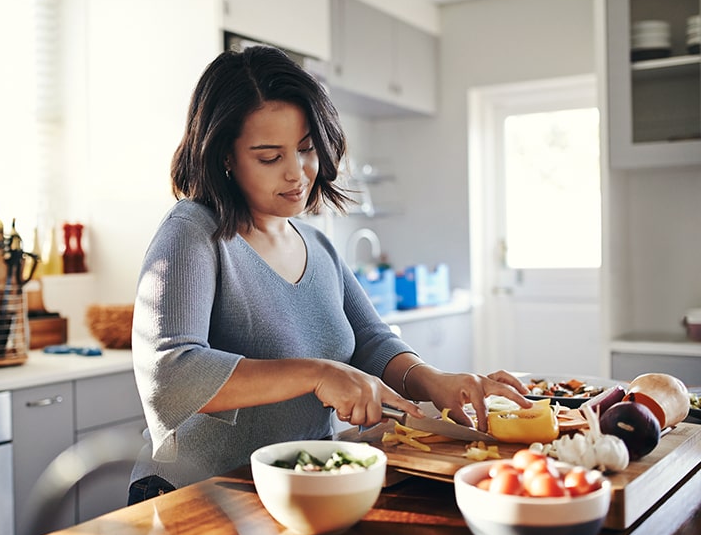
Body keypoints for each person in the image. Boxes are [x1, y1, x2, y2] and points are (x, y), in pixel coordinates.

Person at [128, 45, 531, 504]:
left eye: (306, 149)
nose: (297, 173)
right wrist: (317, 373)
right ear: (225, 156)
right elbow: (169, 372)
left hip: (295, 489)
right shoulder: (192, 232)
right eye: (268, 157)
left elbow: (372, 343)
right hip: (199, 494)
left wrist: (432, 381)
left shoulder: (315, 244)